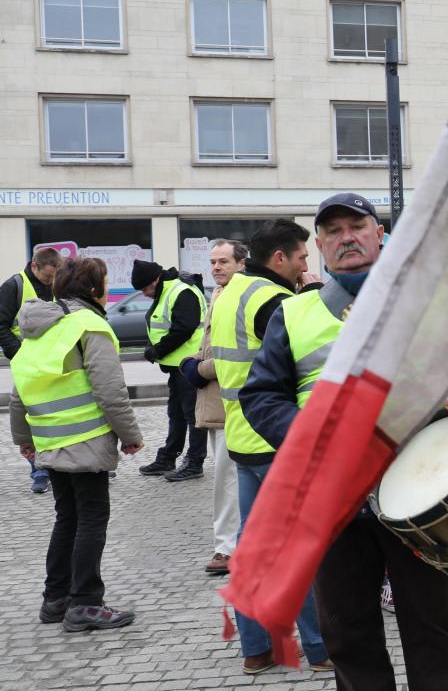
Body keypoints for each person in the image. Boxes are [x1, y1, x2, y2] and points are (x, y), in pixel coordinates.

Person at [241, 193, 448, 691]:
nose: (347, 238)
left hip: (420, 498)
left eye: (357, 226)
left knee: (432, 632)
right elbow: (261, 397)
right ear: (318, 246)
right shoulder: (292, 315)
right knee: (348, 636)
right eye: (333, 232)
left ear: (380, 235)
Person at [196, 221, 325, 673]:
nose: (307, 266)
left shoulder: (232, 290)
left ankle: (255, 649)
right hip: (275, 443)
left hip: (242, 441)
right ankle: (320, 645)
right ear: (280, 259)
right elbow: (301, 361)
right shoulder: (276, 302)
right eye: (302, 258)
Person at [9, 257, 144, 632]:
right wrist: (131, 436)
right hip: (85, 441)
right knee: (91, 517)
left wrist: (25, 440)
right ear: (94, 289)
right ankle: (85, 602)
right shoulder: (89, 326)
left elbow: (20, 393)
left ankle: (55, 599)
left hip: (51, 441)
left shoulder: (40, 328)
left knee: (67, 517)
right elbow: (111, 392)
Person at [178, 239, 246, 576]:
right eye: (213, 262)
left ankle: (229, 548)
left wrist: (198, 369)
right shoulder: (218, 295)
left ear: (241, 264)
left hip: (232, 402)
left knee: (228, 479)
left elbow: (233, 353)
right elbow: (210, 345)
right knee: (226, 479)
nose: (216, 267)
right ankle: (228, 545)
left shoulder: (237, 297)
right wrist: (193, 361)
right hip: (218, 402)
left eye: (223, 261)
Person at [132, 259, 208, 481]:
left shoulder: (181, 291)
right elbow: (161, 325)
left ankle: (195, 462)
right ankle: (168, 457)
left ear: (155, 280)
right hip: (176, 366)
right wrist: (153, 347)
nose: (145, 294)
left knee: (193, 416)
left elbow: (183, 328)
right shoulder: (165, 291)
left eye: (145, 288)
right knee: (176, 414)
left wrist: (158, 350)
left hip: (189, 364)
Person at [2, 247, 63, 494]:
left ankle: (60, 464)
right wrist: (19, 354)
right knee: (31, 413)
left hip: (53, 359)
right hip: (26, 361)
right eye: (47, 277)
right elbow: (1, 325)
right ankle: (38, 470)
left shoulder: (58, 283)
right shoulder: (13, 286)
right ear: (35, 266)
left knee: (56, 413)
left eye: (54, 277)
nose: (50, 282)